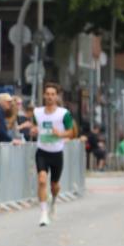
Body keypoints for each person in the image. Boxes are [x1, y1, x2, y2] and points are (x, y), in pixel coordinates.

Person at [31, 82, 78, 226]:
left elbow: (72, 133)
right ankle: (43, 213)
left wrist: (61, 133)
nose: (50, 97)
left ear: (57, 96)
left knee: (55, 185)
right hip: (42, 152)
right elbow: (34, 127)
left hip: (57, 153)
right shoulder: (37, 112)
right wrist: (33, 131)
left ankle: (54, 202)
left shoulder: (63, 113)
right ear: (44, 95)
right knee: (42, 180)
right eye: (48, 94)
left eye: (53, 94)